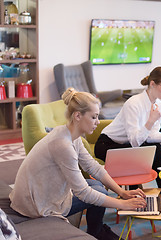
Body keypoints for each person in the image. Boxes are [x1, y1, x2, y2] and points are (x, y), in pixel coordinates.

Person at [10, 88, 147, 240]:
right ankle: (96, 233)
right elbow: (83, 193)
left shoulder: (70, 135)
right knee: (98, 191)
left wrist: (122, 193)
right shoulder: (63, 145)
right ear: (77, 116)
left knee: (98, 187)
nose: (98, 122)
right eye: (94, 117)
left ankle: (97, 230)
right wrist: (122, 204)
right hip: (36, 206)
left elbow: (92, 166)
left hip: (40, 194)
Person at [95, 66, 161, 188]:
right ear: (152, 84)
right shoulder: (133, 103)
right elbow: (135, 141)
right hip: (107, 145)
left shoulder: (160, 106)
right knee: (145, 152)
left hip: (127, 145)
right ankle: (152, 193)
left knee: (155, 148)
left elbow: (150, 136)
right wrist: (151, 120)